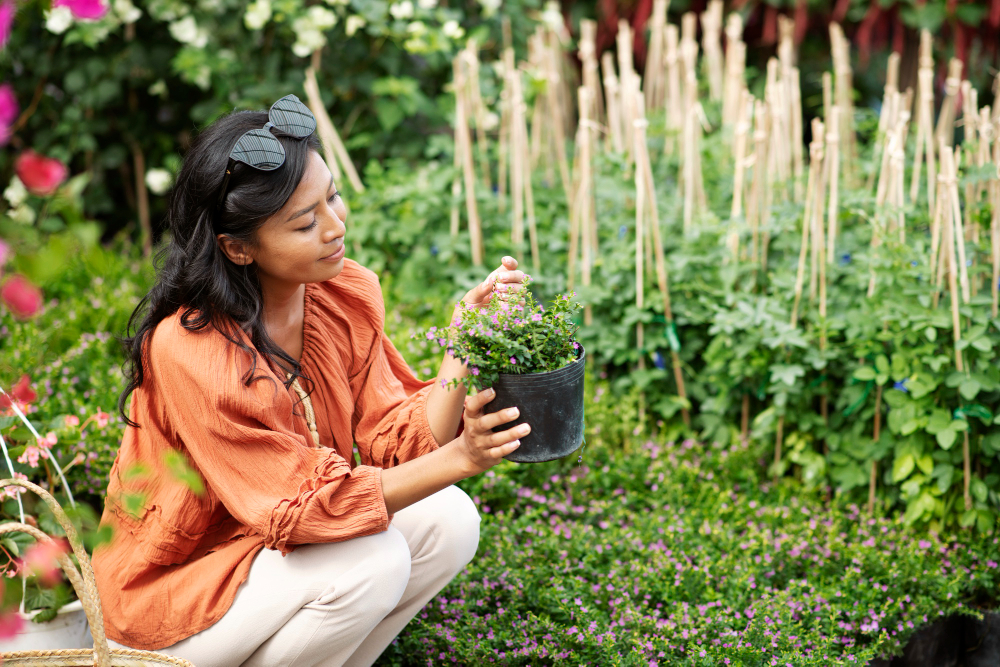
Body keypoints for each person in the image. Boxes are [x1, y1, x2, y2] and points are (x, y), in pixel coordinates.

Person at [92, 95, 527, 667]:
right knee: (371, 560)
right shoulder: (190, 347)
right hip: (174, 592)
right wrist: (464, 457)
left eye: (333, 197)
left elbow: (389, 441)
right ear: (238, 248)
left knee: (449, 520)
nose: (335, 226)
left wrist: (462, 345)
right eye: (305, 221)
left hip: (265, 558)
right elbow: (300, 510)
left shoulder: (341, 293)